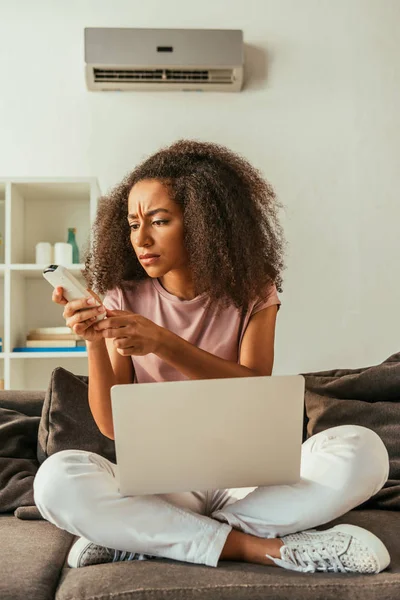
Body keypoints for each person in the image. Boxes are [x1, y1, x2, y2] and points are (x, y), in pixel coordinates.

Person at [33, 140, 391, 574]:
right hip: (161, 486)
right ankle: (255, 547)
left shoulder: (253, 292)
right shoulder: (122, 296)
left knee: (364, 451)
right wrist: (92, 340)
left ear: (204, 224)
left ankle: (160, 537)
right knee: (56, 481)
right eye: (132, 224)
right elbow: (110, 425)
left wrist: (165, 343)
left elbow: (255, 390)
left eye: (159, 221)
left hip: (249, 485)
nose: (140, 239)